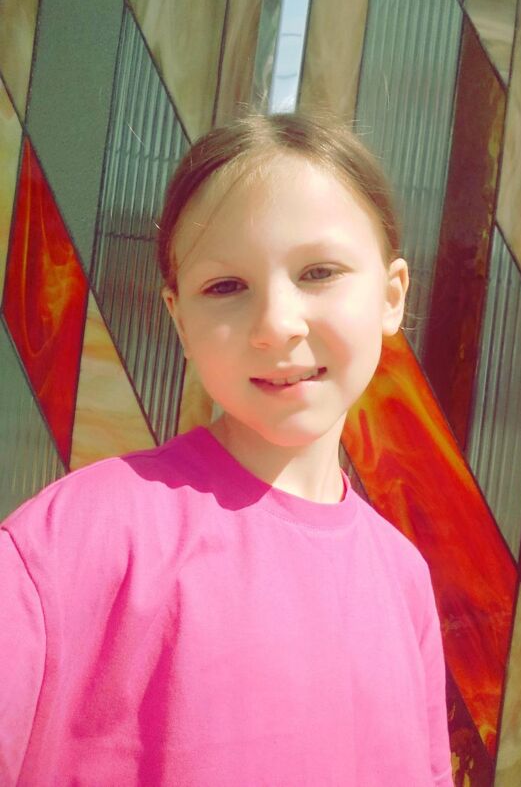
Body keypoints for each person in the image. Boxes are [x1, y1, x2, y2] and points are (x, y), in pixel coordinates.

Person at [0, 112, 453, 786]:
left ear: (391, 297)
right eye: (226, 286)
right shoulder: (71, 543)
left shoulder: (403, 579)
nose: (276, 324)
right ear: (180, 320)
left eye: (319, 271)